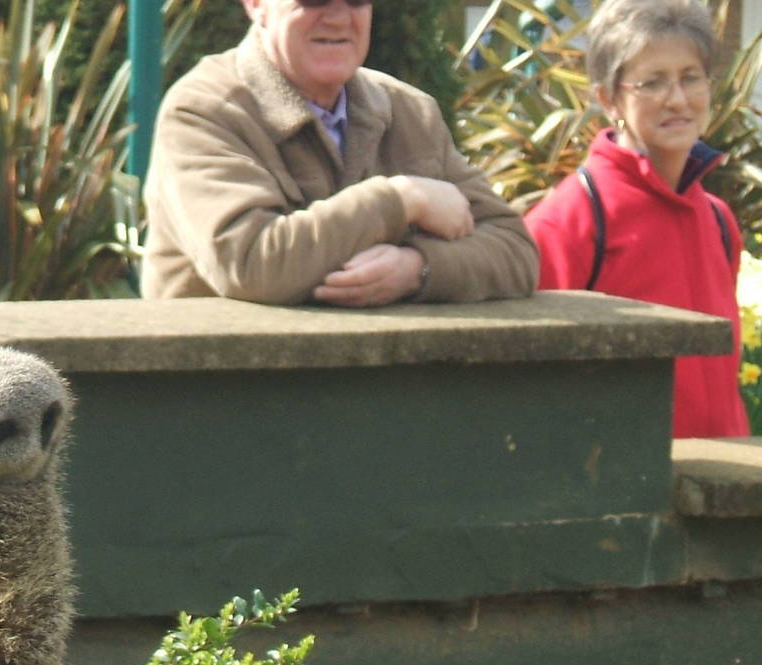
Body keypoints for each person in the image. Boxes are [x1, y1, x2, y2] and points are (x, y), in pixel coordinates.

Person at [141, 0, 538, 307]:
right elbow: (250, 263)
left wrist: (417, 269)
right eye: (314, 0)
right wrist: (401, 199)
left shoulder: (410, 111)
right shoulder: (203, 112)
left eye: (356, 0)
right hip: (225, 398)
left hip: (370, 395)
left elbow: (516, 253)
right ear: (255, 4)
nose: (338, 17)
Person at [524, 0, 749, 438]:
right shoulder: (569, 221)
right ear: (608, 98)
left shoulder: (718, 220)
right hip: (621, 491)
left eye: (690, 78)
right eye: (653, 83)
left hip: (722, 485)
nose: (678, 100)